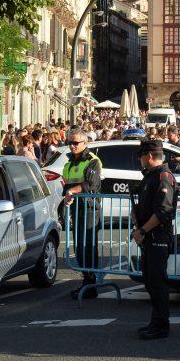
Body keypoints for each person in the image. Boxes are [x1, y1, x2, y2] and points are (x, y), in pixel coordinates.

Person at [131, 139, 179, 340]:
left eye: (141, 156)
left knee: (158, 283)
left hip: (157, 235)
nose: (140, 160)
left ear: (149, 156)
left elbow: (163, 212)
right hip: (149, 236)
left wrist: (142, 230)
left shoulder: (163, 176)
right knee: (150, 281)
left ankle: (161, 326)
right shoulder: (151, 176)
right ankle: (155, 322)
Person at [61, 128, 103, 300]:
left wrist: (72, 191)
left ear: (85, 143)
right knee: (79, 247)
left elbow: (90, 184)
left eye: (76, 143)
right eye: (70, 143)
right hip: (76, 209)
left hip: (90, 208)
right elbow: (66, 188)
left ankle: (91, 284)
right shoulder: (68, 163)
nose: (72, 146)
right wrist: (67, 197)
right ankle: (87, 280)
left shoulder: (92, 161)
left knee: (88, 247)